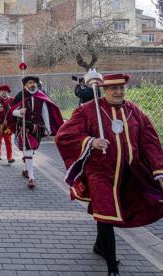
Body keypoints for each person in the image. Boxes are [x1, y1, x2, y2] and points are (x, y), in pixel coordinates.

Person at [56, 73, 163, 276]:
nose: (119, 92)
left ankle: (99, 246)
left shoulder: (135, 111)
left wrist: (159, 171)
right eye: (113, 88)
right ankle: (112, 268)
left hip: (130, 173)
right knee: (105, 213)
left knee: (107, 214)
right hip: (100, 172)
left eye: (122, 88)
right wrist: (91, 141)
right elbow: (65, 134)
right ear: (103, 89)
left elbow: (150, 142)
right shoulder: (87, 110)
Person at [10, 76, 64, 187]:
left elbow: (45, 113)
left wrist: (48, 128)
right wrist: (20, 111)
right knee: (29, 150)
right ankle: (31, 178)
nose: (32, 84)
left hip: (36, 128)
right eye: (30, 83)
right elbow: (12, 112)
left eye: (34, 82)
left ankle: (26, 169)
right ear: (25, 84)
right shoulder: (21, 95)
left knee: (30, 149)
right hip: (24, 127)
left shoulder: (41, 95)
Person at [0, 85, 15, 164]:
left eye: (5, 90)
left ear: (8, 91)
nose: (4, 91)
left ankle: (9, 157)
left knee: (8, 140)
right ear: (0, 91)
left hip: (8, 124)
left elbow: (16, 108)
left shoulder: (12, 99)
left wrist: (11, 109)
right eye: (2, 90)